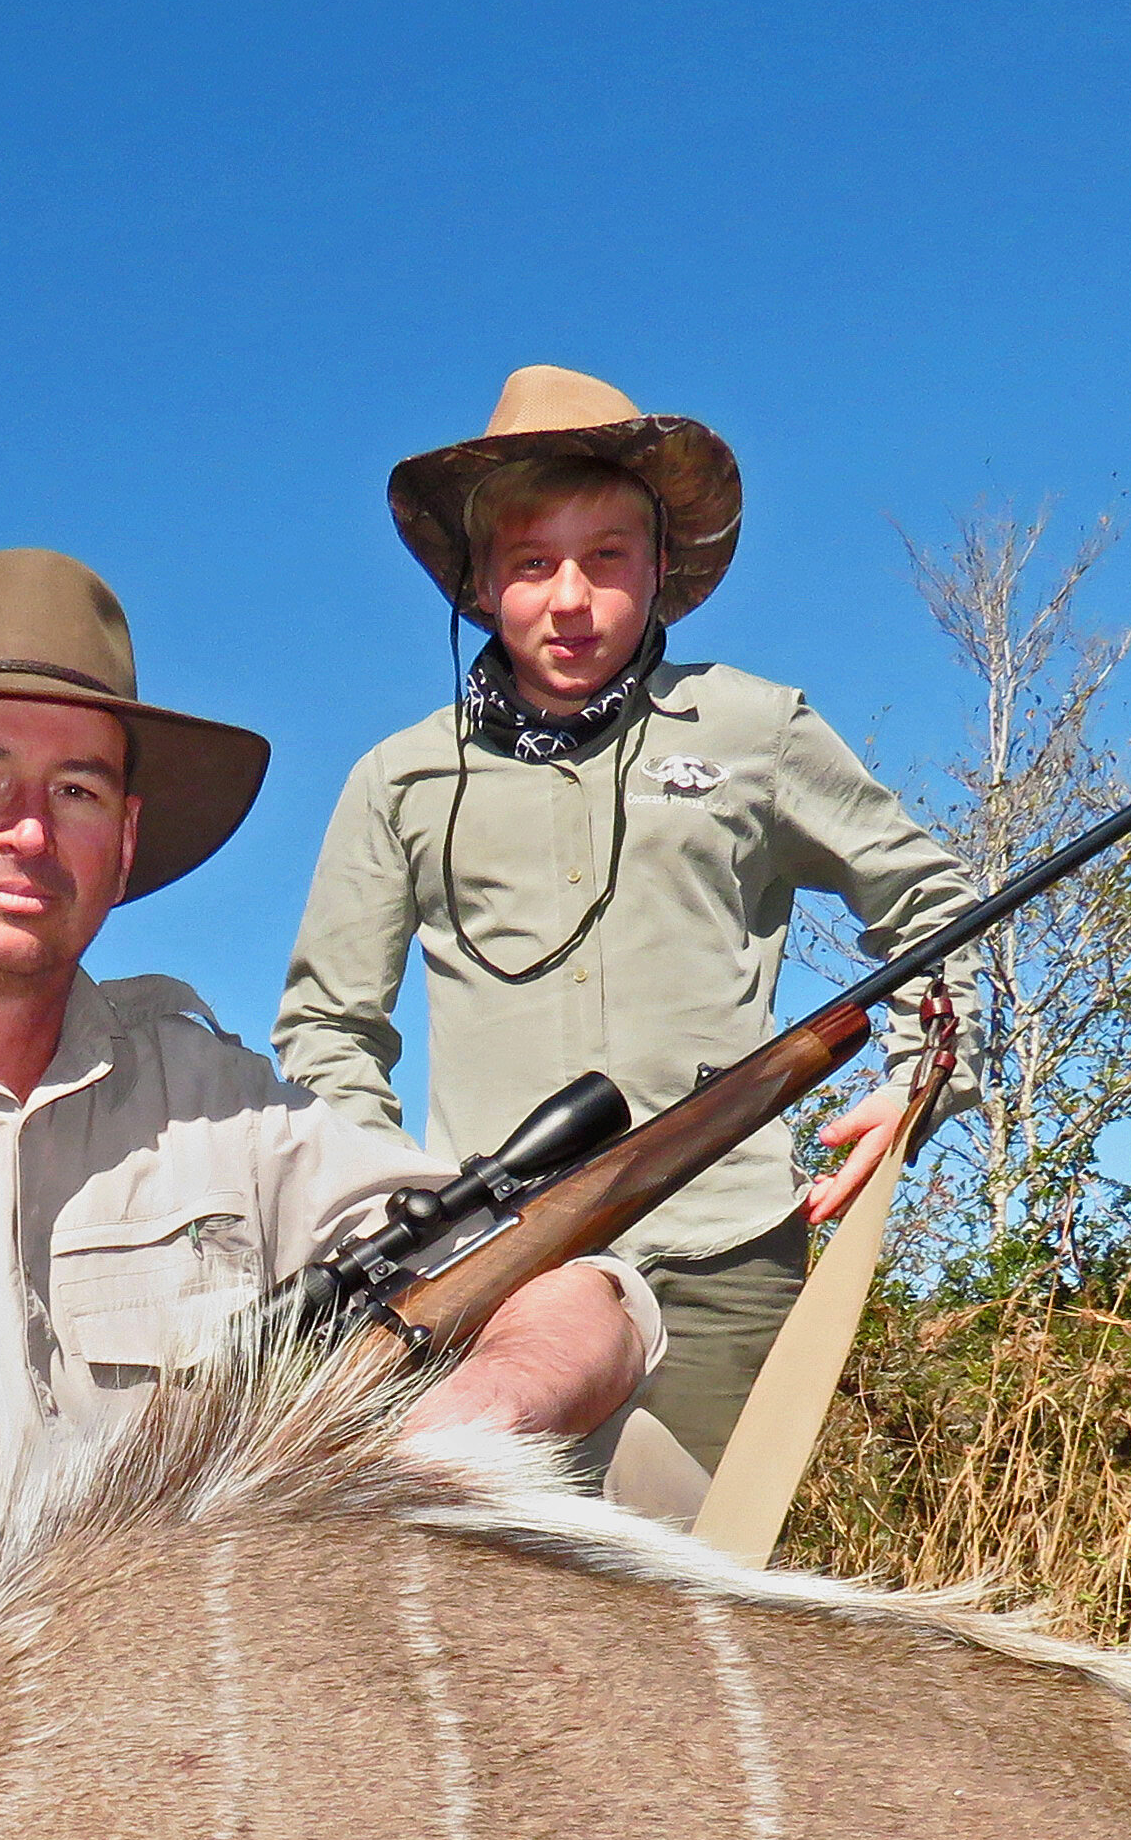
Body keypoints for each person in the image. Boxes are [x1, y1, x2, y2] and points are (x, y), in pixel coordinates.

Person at [0, 548, 655, 1643]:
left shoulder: (220, 1103)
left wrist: (461, 1426)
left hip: (236, 1714)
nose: (28, 832)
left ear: (125, 843)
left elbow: (581, 1292)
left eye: (78, 791)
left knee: (635, 1473)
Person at [276, 367, 974, 1473]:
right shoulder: (396, 779)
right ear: (481, 584)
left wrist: (923, 1077)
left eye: (606, 559)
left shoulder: (758, 727)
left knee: (711, 1584)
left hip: (729, 1250)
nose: (571, 598)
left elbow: (927, 899)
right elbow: (329, 1029)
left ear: (657, 572)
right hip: (497, 1262)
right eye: (532, 564)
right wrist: (389, 1214)